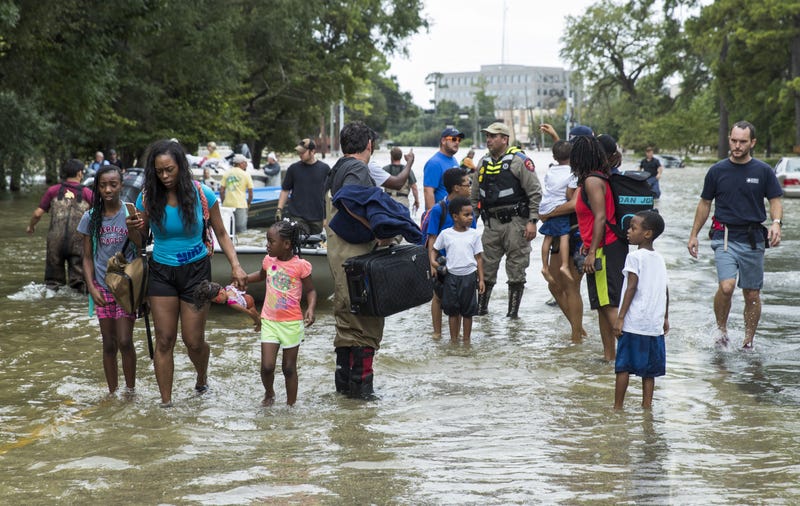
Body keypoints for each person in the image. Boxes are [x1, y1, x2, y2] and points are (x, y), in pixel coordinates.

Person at [129, 139, 247, 407]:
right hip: (161, 271)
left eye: (170, 169)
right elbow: (139, 241)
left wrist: (236, 265)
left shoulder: (202, 194)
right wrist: (133, 227)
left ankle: (201, 376)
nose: (165, 176)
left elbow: (221, 233)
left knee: (193, 341)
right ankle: (166, 404)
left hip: (196, 271)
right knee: (164, 340)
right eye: (159, 171)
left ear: (181, 166)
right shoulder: (146, 197)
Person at [687, 121, 782, 350]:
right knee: (727, 286)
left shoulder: (763, 171)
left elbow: (775, 200)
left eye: (742, 141)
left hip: (753, 238)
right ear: (729, 139)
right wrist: (694, 235)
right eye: (734, 140)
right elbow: (705, 203)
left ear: (752, 142)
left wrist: (776, 223)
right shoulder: (717, 171)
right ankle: (721, 331)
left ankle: (748, 341)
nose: (737, 146)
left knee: (751, 293)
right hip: (724, 236)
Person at [324, 121, 390, 399]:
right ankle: (362, 394)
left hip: (339, 259)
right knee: (366, 325)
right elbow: (349, 198)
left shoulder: (336, 169)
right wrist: (377, 229)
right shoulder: (358, 169)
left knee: (347, 324)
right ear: (369, 145)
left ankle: (345, 394)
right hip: (358, 259)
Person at [470, 122, 542, 318]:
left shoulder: (520, 161)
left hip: (516, 223)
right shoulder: (483, 162)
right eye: (487, 136)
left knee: (517, 267)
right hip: (490, 224)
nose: (489, 140)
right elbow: (474, 196)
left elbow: (535, 193)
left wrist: (532, 221)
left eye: (493, 136)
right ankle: (481, 310)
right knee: (485, 266)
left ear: (504, 139)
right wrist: (469, 225)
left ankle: (512, 315)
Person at [77, 165, 137, 395]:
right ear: (97, 187)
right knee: (109, 343)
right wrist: (91, 287)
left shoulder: (130, 212)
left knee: (124, 340)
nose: (108, 189)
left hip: (126, 288)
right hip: (102, 288)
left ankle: (130, 391)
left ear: (121, 185)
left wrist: (134, 229)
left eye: (113, 184)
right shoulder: (90, 217)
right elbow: (87, 257)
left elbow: (140, 247)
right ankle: (112, 393)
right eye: (103, 185)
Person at [246, 220, 316, 406]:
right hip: (269, 320)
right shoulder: (268, 261)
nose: (267, 245)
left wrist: (310, 308)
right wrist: (244, 278)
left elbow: (310, 290)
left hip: (292, 323)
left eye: (271, 241)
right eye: (267, 241)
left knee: (288, 368)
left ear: (286, 244)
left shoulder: (301, 266)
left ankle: (290, 405)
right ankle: (269, 394)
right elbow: (261, 276)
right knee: (267, 366)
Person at [572, 134, 627, 361]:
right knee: (603, 306)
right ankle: (609, 358)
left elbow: (601, 217)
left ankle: (636, 353)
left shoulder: (593, 181)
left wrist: (592, 251)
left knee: (609, 306)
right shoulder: (597, 178)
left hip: (605, 248)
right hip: (603, 246)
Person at [613, 210, 669, 410]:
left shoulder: (634, 257)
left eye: (633, 228)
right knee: (649, 372)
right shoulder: (659, 259)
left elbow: (631, 287)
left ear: (647, 234)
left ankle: (617, 407)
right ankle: (647, 408)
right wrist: (665, 318)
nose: (628, 231)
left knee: (623, 367)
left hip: (634, 322)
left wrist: (620, 319)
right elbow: (665, 290)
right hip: (653, 324)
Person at [27, 159, 94, 292]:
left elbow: (37, 214)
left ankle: (53, 304)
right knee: (79, 284)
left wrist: (31, 226)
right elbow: (100, 215)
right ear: (80, 173)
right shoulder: (88, 193)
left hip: (54, 242)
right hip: (79, 242)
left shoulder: (53, 191)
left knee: (53, 284)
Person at [425, 168, 476, 339]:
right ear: (456, 188)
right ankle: (437, 333)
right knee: (438, 296)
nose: (470, 187)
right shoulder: (439, 210)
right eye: (467, 184)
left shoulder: (469, 211)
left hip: (462, 261)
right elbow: (432, 238)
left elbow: (472, 238)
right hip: (442, 260)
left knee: (462, 299)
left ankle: (459, 337)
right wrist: (432, 264)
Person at [430, 196, 485, 343]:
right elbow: (434, 250)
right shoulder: (446, 234)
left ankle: (467, 341)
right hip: (451, 277)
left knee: (468, 312)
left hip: (469, 277)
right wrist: (434, 263)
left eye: (471, 214)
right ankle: (454, 341)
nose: (470, 218)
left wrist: (481, 279)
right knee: (452, 311)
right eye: (466, 215)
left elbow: (479, 258)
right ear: (455, 216)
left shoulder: (474, 234)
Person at [539, 140, 578, 284]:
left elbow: (549, 186)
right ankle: (565, 265)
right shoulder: (573, 173)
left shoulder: (551, 170)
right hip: (558, 208)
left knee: (547, 238)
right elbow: (569, 196)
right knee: (564, 236)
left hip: (545, 206)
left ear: (554, 157)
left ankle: (544, 267)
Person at [276, 139, 329, 235]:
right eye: (299, 152)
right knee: (300, 241)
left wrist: (327, 217)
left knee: (316, 245)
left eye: (303, 152)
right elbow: (285, 190)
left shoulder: (325, 169)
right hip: (297, 215)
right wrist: (279, 209)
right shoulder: (293, 169)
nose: (300, 154)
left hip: (318, 217)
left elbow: (328, 194)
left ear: (313, 152)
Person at [192, 280, 261, 330]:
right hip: (248, 296)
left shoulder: (231, 303)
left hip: (249, 304)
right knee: (257, 315)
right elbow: (235, 282)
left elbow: (246, 311)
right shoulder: (228, 288)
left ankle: (259, 324)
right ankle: (259, 319)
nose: (218, 303)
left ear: (221, 293)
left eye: (217, 300)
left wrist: (254, 317)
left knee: (256, 316)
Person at [423, 127, 463, 210]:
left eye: (459, 140)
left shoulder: (454, 160)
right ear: (443, 141)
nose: (457, 142)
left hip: (454, 215)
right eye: (454, 139)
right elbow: (428, 192)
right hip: (442, 216)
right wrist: (432, 218)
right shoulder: (434, 163)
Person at [220, 153, 254, 233]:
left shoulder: (227, 173)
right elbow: (251, 193)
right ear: (240, 163)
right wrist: (248, 203)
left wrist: (223, 202)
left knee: (228, 231)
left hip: (227, 206)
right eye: (245, 163)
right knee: (241, 232)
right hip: (240, 205)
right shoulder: (246, 174)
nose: (246, 165)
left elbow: (221, 191)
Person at [382, 147, 420, 214]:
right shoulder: (408, 170)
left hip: (388, 201)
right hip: (403, 202)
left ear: (391, 156)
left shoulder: (385, 169)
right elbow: (414, 188)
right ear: (401, 157)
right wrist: (417, 201)